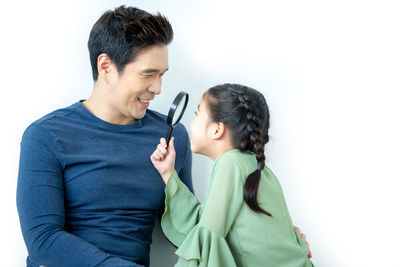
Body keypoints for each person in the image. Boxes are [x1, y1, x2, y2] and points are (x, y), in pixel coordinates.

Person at [16, 6, 193, 267]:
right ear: (106, 66)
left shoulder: (171, 136)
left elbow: (188, 234)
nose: (157, 88)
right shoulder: (46, 136)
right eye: (148, 74)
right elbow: (43, 241)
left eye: (161, 75)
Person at [151, 83, 314, 266]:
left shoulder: (230, 163)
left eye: (197, 114)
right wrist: (168, 173)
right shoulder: (256, 168)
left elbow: (207, 236)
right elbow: (205, 223)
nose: (191, 123)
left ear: (217, 130)